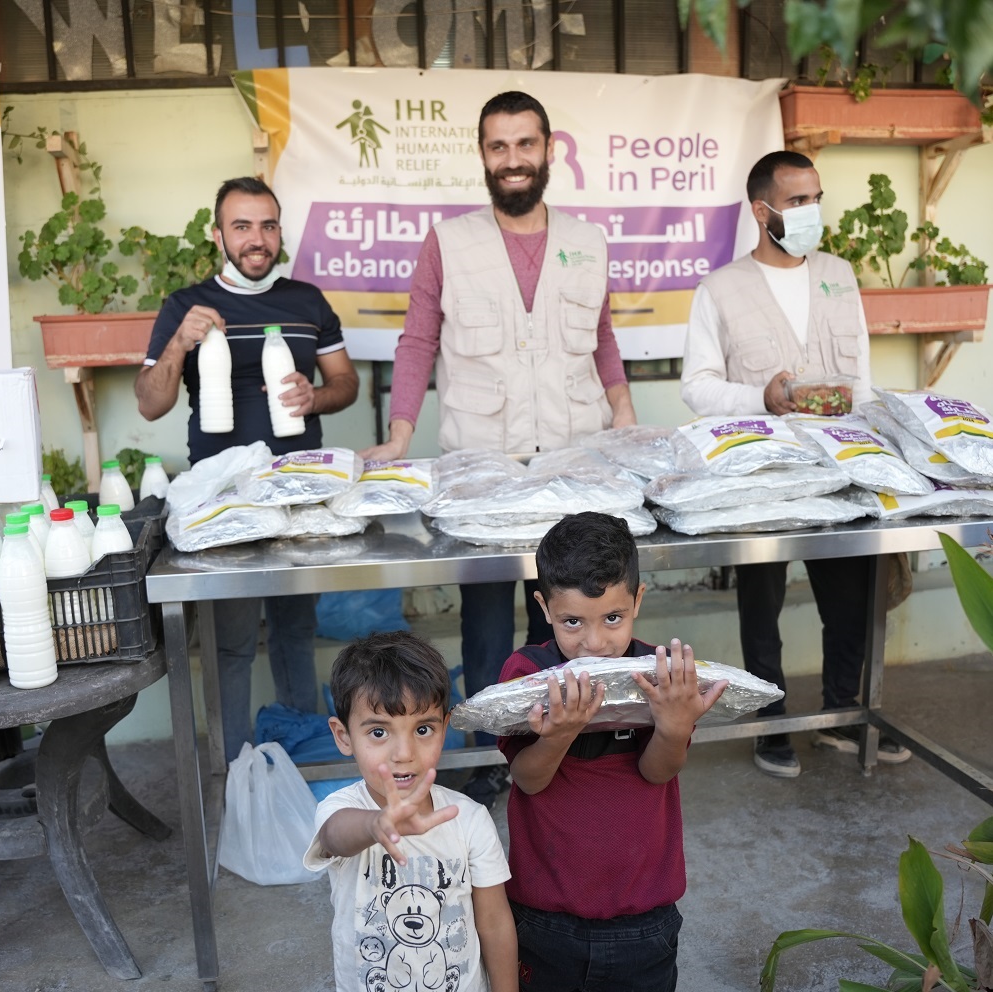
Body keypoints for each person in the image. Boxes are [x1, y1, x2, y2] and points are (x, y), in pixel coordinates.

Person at [360, 90, 638, 806]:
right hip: (482, 463)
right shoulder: (449, 242)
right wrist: (398, 434)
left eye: (525, 144)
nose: (512, 159)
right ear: (483, 156)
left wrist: (625, 411)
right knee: (485, 621)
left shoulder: (588, 240)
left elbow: (603, 338)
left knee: (570, 612)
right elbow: (417, 340)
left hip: (571, 461)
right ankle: (490, 755)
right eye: (498, 146)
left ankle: (576, 734)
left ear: (549, 149)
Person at [679, 149, 912, 779]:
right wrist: (762, 397)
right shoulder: (719, 289)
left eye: (816, 198)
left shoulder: (838, 274)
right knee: (764, 600)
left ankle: (841, 714)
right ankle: (770, 725)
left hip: (840, 471)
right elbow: (697, 387)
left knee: (852, 595)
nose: (812, 212)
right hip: (766, 477)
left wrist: (884, 447)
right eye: (799, 201)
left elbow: (859, 379)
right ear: (763, 211)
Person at [136, 176, 360, 762]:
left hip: (298, 494)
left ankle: (307, 756)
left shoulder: (306, 301)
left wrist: (316, 397)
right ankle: (236, 768)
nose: (256, 239)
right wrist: (180, 345)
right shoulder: (185, 306)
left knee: (295, 630)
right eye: (241, 226)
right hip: (224, 503)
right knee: (232, 639)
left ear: (279, 232)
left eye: (267, 225)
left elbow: (346, 384)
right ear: (218, 235)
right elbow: (150, 402)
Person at [498, 512, 726, 992]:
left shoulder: (658, 675)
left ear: (638, 600)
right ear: (544, 607)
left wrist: (674, 724)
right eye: (573, 621)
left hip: (643, 921)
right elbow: (529, 779)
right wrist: (559, 734)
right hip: (544, 919)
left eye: (613, 618)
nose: (595, 643)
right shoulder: (525, 675)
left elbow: (658, 772)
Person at [304, 630, 517, 992]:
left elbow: (494, 922)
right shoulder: (344, 810)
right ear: (343, 737)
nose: (404, 753)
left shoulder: (468, 819)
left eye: (422, 729)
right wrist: (376, 824)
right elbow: (333, 836)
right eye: (378, 732)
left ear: (445, 729)